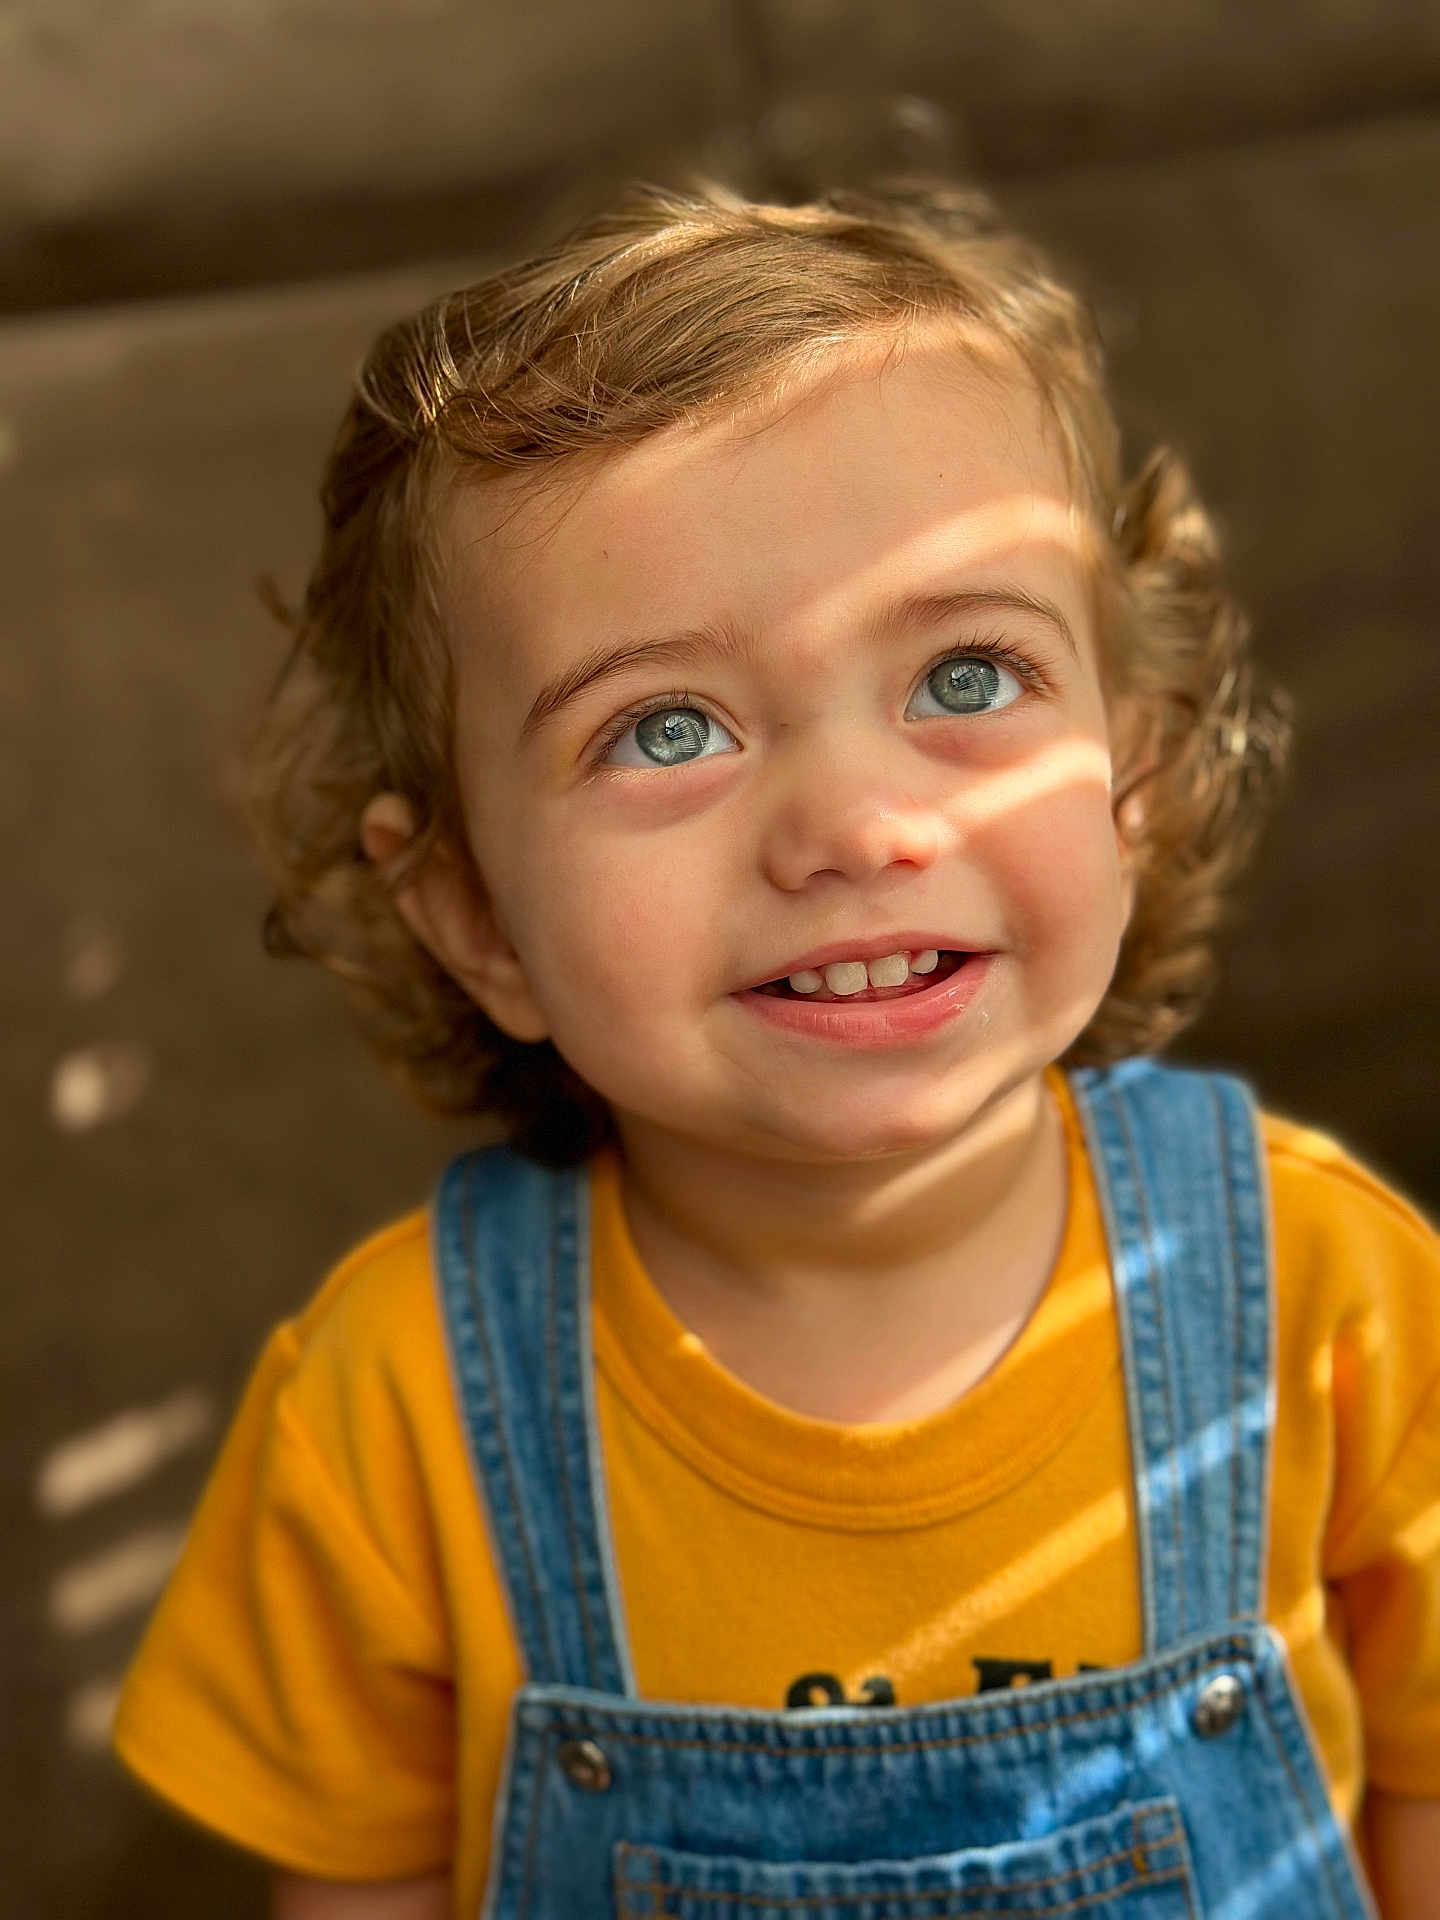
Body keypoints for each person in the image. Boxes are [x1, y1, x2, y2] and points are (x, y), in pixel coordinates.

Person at [113, 180, 1440, 1918]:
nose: (854, 825)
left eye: (966, 677)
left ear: (1133, 778)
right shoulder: (397, 1402)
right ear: (475, 918)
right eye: (668, 726)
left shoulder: (1326, 1287)